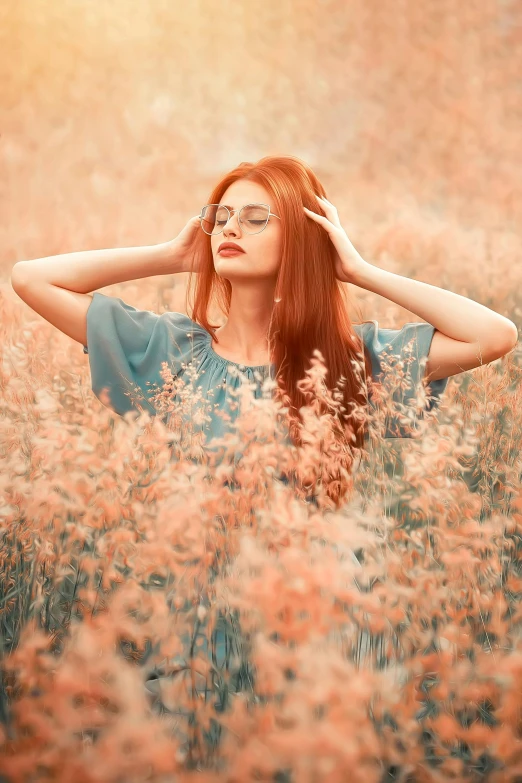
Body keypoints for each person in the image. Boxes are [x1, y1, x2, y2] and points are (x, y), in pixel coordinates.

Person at [10, 154, 517, 713]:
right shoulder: (171, 351)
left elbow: (493, 336)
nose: (230, 228)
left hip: (318, 617)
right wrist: (172, 255)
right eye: (223, 216)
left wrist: (355, 269)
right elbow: (31, 277)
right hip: (195, 618)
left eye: (256, 218)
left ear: (301, 237)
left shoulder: (339, 360)